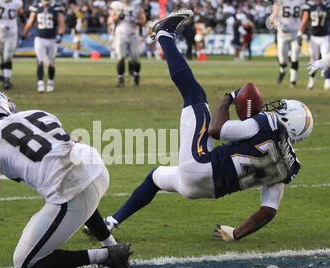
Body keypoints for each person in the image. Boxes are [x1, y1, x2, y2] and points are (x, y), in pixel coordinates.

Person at [95, 10, 313, 242]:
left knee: (195, 94)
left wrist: (229, 97)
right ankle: (110, 223)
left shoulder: (269, 122)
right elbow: (268, 210)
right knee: (156, 177)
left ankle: (163, 34)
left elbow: (215, 130)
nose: (276, 109)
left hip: (200, 163)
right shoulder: (289, 168)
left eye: (283, 109)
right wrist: (236, 234)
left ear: (288, 119)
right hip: (203, 190)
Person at [0, 90, 132, 268]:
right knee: (78, 195)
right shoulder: (36, 114)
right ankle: (112, 248)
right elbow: (73, 141)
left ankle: (106, 256)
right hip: (96, 167)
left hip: (70, 184)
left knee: (24, 261)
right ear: (6, 104)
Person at [23, 0, 65, 93]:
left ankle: (50, 82)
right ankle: (40, 83)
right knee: (40, 61)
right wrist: (24, 34)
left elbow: (61, 23)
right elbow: (30, 23)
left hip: (52, 39)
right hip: (40, 38)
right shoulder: (36, 7)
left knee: (51, 62)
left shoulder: (56, 8)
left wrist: (61, 34)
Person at [109, 0, 146, 87]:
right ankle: (121, 80)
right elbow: (110, 20)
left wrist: (136, 21)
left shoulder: (137, 5)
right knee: (121, 57)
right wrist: (118, 16)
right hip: (121, 34)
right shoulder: (117, 5)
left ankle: (136, 76)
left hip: (133, 34)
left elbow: (143, 21)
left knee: (135, 58)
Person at [0, 0, 26, 89]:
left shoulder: (16, 3)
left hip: (12, 33)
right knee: (1, 58)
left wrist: (25, 24)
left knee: (7, 56)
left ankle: (7, 78)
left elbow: (21, 14)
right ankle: (5, 78)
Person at [270, 0, 304, 88]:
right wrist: (278, 25)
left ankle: (293, 80)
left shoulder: (301, 1)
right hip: (282, 33)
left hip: (295, 32)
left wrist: (301, 30)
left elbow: (305, 15)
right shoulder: (280, 1)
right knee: (281, 55)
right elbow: (272, 18)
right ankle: (283, 70)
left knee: (295, 55)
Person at [298, 0, 330, 90]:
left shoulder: (327, 5)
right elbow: (304, 20)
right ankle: (311, 81)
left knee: (326, 58)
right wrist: (299, 33)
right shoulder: (309, 6)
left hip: (325, 36)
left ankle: (327, 80)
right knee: (313, 60)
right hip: (313, 37)